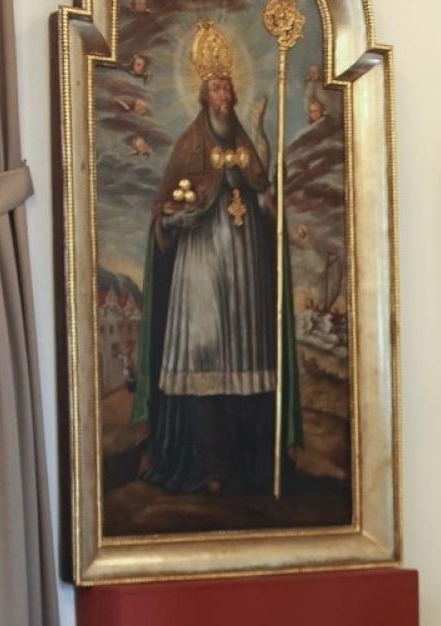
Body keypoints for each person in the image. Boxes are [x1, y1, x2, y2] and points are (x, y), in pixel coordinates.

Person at [131, 20, 299, 495]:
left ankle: (246, 461)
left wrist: (267, 194)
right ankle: (201, 461)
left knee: (243, 352)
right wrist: (177, 215)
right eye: (215, 87)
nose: (223, 93)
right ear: (203, 96)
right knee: (202, 348)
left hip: (243, 264)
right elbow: (164, 205)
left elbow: (265, 196)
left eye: (227, 85)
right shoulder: (191, 143)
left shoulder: (246, 143)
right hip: (201, 264)